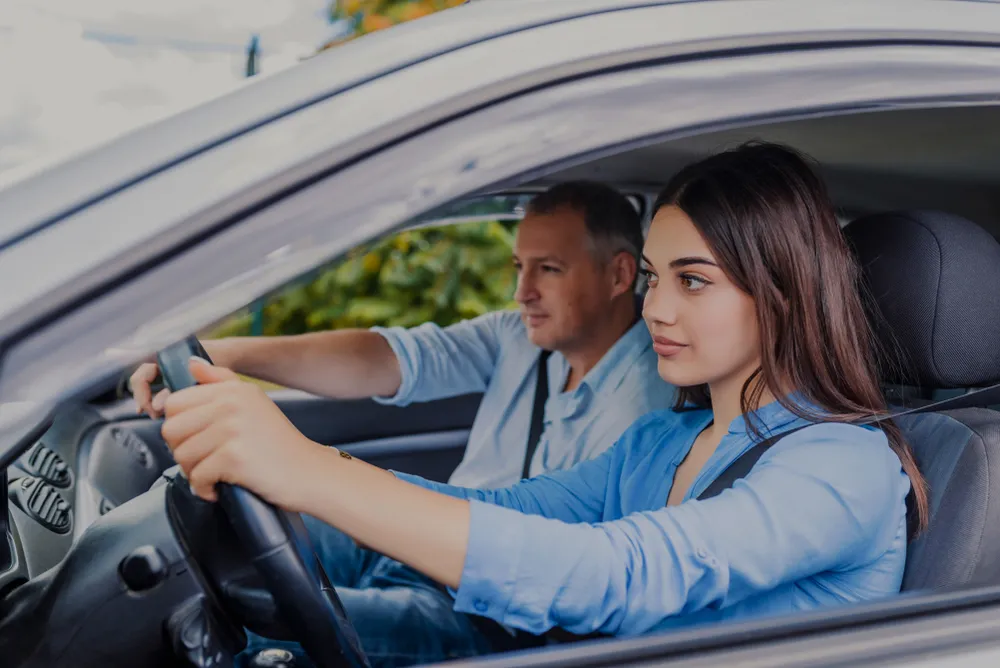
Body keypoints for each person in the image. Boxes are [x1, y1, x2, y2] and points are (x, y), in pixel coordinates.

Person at [156, 142, 929, 667]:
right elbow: (503, 510)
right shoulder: (663, 440)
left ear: (785, 295)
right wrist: (308, 474)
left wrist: (309, 472)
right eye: (656, 279)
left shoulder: (842, 463)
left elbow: (618, 579)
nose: (657, 309)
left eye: (692, 281)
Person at [132, 182, 676, 664]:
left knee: (244, 636)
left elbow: (568, 578)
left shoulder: (649, 411)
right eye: (519, 267)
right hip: (413, 541)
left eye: (548, 269)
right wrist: (223, 356)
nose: (522, 292)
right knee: (210, 536)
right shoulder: (521, 338)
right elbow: (384, 358)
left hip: (494, 617)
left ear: (619, 275)